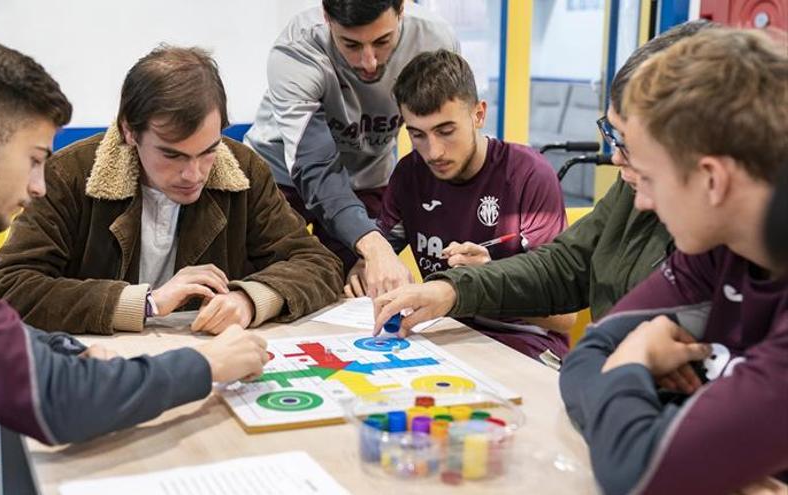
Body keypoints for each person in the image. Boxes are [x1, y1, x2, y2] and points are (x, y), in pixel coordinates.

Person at [0, 38, 269, 495]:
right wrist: (205, 364)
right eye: (35, 159)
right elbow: (59, 402)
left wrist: (62, 352)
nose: (39, 185)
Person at [371, 20, 714, 336]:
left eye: (630, 142)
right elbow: (566, 266)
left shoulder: (730, 250)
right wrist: (453, 288)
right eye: (612, 134)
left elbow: (596, 333)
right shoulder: (631, 189)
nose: (616, 158)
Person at [559, 28, 788, 494]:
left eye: (648, 176)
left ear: (711, 180)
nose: (642, 201)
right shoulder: (717, 252)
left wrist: (633, 359)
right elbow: (582, 362)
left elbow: (637, 472)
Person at [0, 45, 343, 335]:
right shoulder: (69, 175)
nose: (193, 173)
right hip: (98, 370)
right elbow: (8, 286)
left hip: (208, 364)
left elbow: (318, 263)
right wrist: (145, 303)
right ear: (129, 131)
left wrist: (252, 299)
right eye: (172, 154)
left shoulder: (242, 169)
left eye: (207, 151)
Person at [346, 49, 574, 361]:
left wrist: (489, 278)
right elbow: (379, 254)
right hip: (443, 334)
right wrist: (364, 269)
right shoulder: (409, 174)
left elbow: (564, 318)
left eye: (446, 131)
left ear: (478, 114)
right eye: (417, 135)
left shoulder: (529, 175)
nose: (433, 151)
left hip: (523, 342)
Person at [244, 0, 458, 297]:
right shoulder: (296, 50)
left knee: (358, 287)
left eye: (382, 41)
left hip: (368, 173)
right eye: (351, 44)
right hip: (283, 175)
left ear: (401, 11)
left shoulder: (434, 41)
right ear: (327, 18)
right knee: (266, 286)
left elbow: (443, 141)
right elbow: (314, 166)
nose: (368, 61)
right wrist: (372, 243)